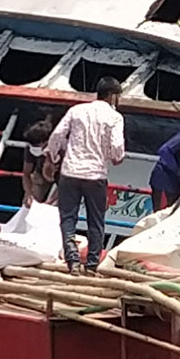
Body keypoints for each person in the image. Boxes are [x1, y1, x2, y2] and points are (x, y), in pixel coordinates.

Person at [47, 77, 125, 275]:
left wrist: (53, 157)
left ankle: (72, 259)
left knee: (68, 218)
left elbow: (57, 135)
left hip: (70, 172)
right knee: (96, 221)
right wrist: (117, 157)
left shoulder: (76, 110)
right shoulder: (115, 117)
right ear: (113, 96)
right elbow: (117, 147)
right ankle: (91, 265)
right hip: (96, 175)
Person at [22, 120, 54, 207]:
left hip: (65, 176)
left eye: (36, 145)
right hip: (40, 174)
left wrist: (50, 202)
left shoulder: (61, 149)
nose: (33, 147)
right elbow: (26, 173)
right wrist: (29, 194)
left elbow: (67, 182)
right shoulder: (30, 148)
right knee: (28, 204)